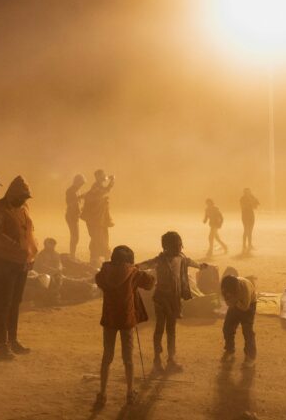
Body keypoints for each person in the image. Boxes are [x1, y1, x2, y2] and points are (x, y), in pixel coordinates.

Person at [94, 245, 156, 408]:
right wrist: (137, 268)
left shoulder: (105, 272)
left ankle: (102, 393)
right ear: (130, 261)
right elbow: (150, 283)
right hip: (127, 319)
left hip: (109, 318)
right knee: (128, 358)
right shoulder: (133, 273)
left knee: (107, 356)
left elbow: (98, 279)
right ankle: (129, 392)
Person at [137, 231, 207, 373]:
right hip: (161, 299)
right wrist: (134, 266)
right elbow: (146, 264)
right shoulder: (160, 260)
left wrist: (200, 266)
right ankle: (157, 360)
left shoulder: (181, 258)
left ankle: (171, 359)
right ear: (167, 247)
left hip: (174, 299)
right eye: (178, 245)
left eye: (180, 245)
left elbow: (190, 262)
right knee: (160, 328)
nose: (180, 248)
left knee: (171, 329)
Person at [0, 175, 38, 359]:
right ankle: (3, 344)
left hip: (21, 263)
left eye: (26, 197)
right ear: (13, 194)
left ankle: (13, 340)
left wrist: (31, 253)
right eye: (22, 196)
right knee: (4, 303)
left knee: (15, 303)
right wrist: (18, 249)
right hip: (5, 262)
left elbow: (29, 232)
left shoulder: (23, 209)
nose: (24, 200)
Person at [220, 274, 257, 367]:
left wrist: (234, 301)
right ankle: (230, 350)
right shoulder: (225, 288)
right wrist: (233, 301)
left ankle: (250, 357)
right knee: (227, 328)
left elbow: (245, 307)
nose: (226, 294)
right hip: (236, 304)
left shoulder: (244, 288)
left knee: (247, 332)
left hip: (249, 305)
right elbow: (228, 303)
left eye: (229, 293)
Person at [81, 170, 115, 267]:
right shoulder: (96, 186)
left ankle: (100, 258)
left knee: (102, 237)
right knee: (98, 238)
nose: (104, 177)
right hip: (95, 219)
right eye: (102, 176)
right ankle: (99, 259)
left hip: (101, 219)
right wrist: (112, 182)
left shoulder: (96, 186)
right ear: (98, 177)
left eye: (104, 175)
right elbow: (104, 192)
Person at [64, 174, 85, 259]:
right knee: (75, 236)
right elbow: (70, 203)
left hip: (75, 216)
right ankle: (72, 254)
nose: (82, 185)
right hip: (71, 216)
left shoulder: (77, 190)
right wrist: (80, 197)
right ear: (77, 181)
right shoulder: (70, 190)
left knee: (75, 236)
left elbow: (78, 204)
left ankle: (72, 254)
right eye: (81, 183)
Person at [239, 188, 260, 253]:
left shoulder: (252, 197)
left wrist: (253, 199)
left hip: (251, 215)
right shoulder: (242, 199)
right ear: (244, 192)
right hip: (245, 215)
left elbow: (257, 205)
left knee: (250, 231)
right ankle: (244, 245)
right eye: (246, 192)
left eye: (249, 192)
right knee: (246, 230)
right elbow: (243, 207)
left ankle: (250, 245)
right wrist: (250, 202)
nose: (247, 193)